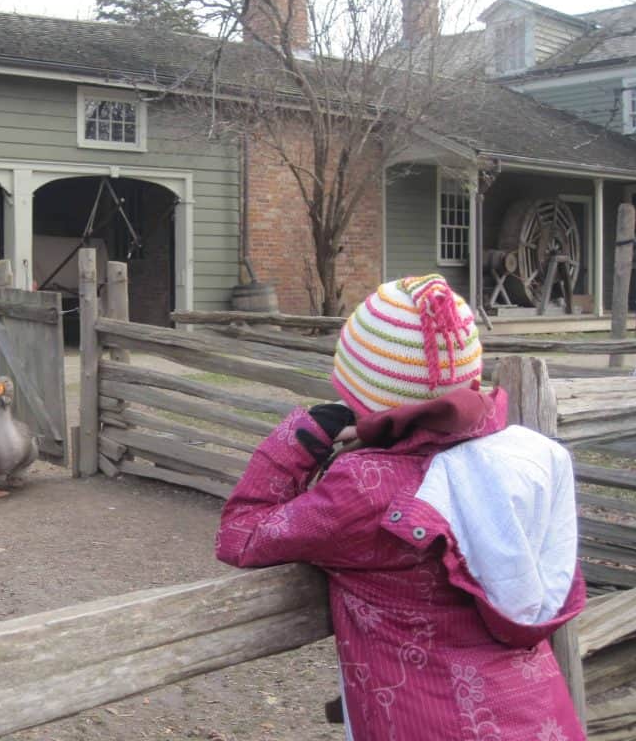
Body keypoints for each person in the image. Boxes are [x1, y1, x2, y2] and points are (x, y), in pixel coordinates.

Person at [216, 274, 586, 741]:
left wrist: (302, 435)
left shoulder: (365, 490)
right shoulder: (529, 459)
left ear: (362, 397)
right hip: (541, 721)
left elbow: (240, 534)